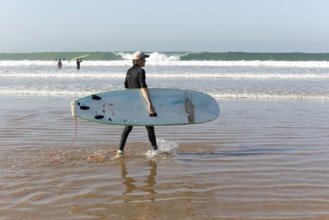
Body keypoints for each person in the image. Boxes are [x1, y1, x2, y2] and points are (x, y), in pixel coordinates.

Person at [116, 51, 158, 157]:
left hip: (131, 104)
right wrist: (150, 104)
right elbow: (143, 88)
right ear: (138, 60)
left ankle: (120, 151)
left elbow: (126, 86)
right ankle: (155, 150)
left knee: (128, 128)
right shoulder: (141, 71)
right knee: (149, 127)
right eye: (144, 59)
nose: (145, 60)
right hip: (140, 103)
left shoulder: (129, 71)